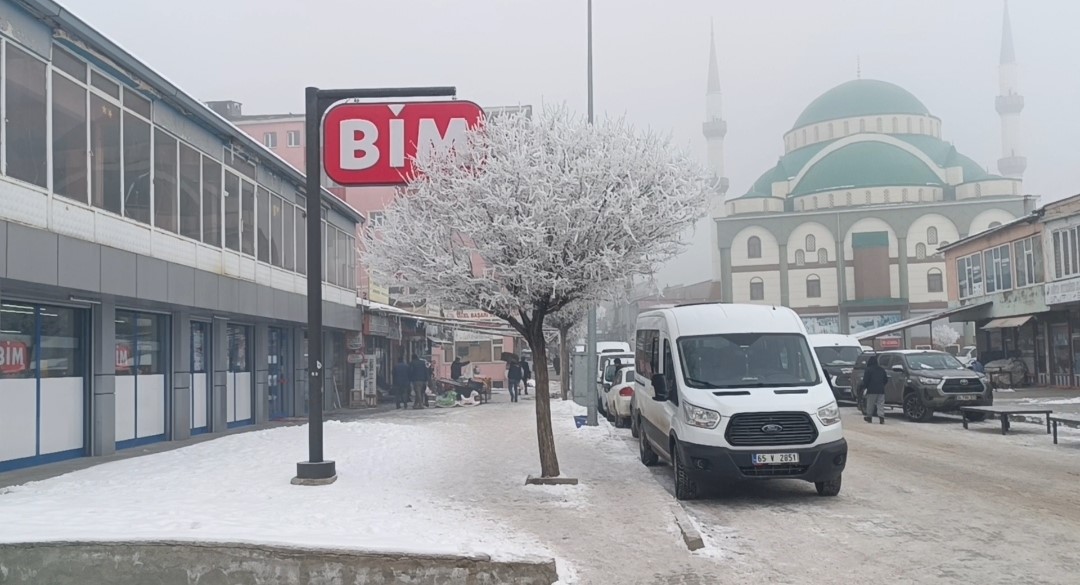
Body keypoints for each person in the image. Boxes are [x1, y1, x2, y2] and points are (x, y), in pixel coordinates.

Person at [861, 355, 888, 424]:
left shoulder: (868, 370)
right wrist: (882, 385)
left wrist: (865, 387)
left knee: (870, 404)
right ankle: (881, 418)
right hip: (881, 390)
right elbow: (886, 379)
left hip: (871, 390)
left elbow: (865, 380)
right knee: (880, 404)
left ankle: (869, 417)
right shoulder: (881, 369)